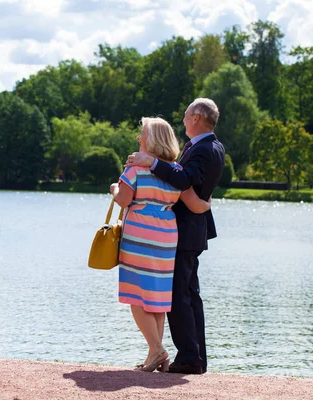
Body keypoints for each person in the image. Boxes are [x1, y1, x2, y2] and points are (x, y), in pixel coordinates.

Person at [126, 98, 225, 375]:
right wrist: (201, 202)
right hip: (193, 228)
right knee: (190, 295)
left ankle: (189, 359)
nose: (182, 119)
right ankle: (195, 356)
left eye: (185, 115)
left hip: (186, 230)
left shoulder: (205, 148)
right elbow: (193, 185)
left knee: (180, 296)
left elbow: (184, 180)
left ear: (196, 118)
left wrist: (151, 162)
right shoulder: (209, 146)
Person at [110, 117, 211, 372]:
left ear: (151, 139)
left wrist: (113, 188)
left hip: (139, 236)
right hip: (166, 237)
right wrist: (208, 203)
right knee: (157, 297)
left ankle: (157, 349)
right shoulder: (175, 172)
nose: (138, 138)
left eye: (141, 133)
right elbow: (195, 204)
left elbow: (123, 200)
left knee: (135, 295)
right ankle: (156, 355)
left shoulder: (134, 169)